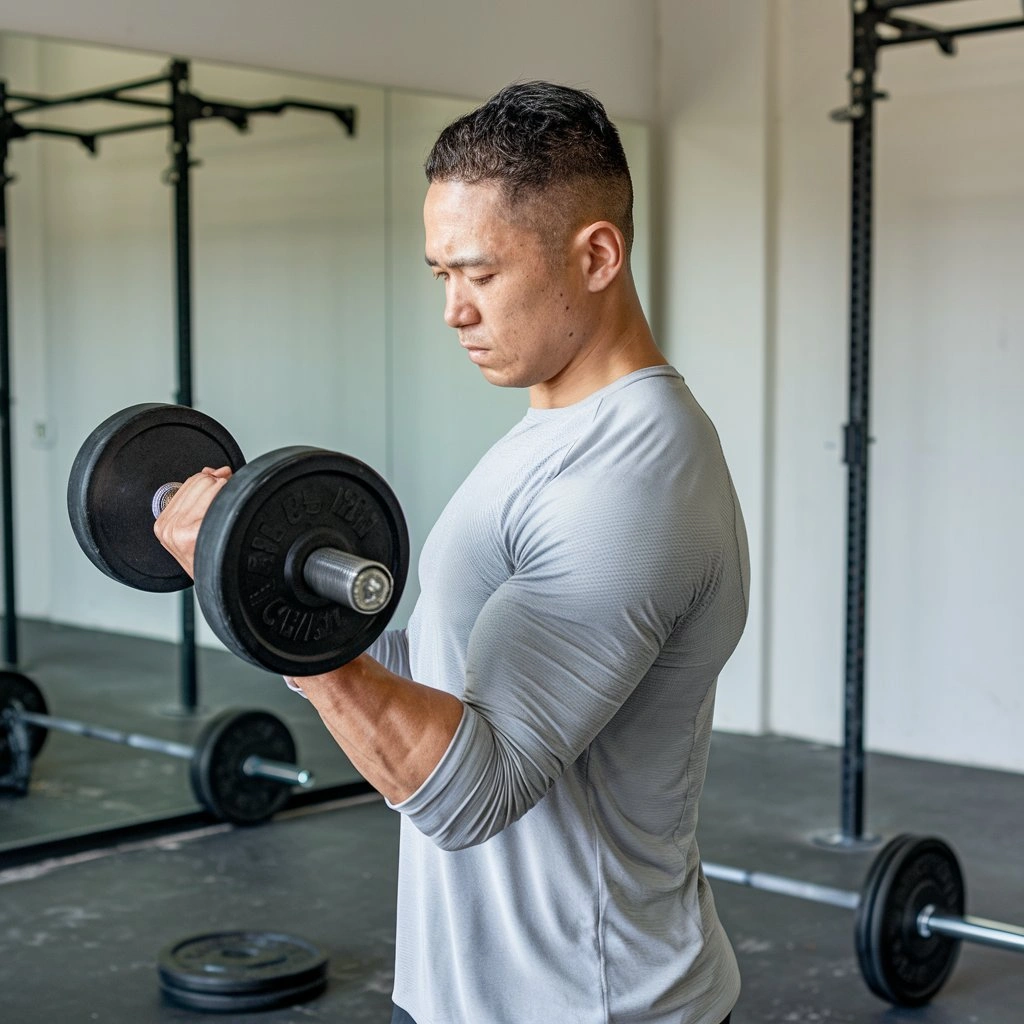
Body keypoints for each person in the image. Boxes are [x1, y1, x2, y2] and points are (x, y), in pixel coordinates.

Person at [156, 81, 749, 1024]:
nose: (453, 312)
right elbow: (429, 672)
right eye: (441, 275)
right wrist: (250, 578)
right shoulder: (545, 427)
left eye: (479, 273)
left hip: (591, 1005)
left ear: (597, 254)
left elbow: (472, 793)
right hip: (465, 994)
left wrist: (273, 619)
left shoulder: (633, 477)